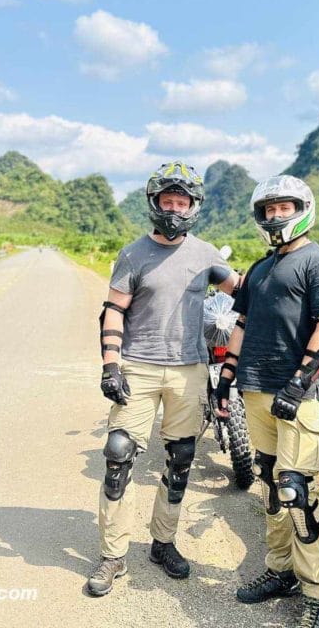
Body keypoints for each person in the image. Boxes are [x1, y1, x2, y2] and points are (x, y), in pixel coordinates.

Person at [87, 161, 240, 597]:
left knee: (181, 458)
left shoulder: (207, 254)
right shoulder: (133, 254)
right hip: (138, 365)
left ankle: (163, 542)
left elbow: (243, 290)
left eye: (182, 202)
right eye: (167, 201)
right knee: (118, 454)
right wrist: (110, 364)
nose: (175, 209)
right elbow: (114, 309)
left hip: (188, 369)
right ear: (154, 204)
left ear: (194, 206)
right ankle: (113, 555)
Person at [214, 175, 319, 628]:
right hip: (255, 388)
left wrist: (298, 383)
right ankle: (280, 570)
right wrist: (225, 378)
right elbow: (243, 323)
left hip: (298, 395)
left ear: (302, 209)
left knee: (296, 488)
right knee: (270, 484)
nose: (276, 217)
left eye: (284, 209)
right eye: (269, 211)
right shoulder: (259, 269)